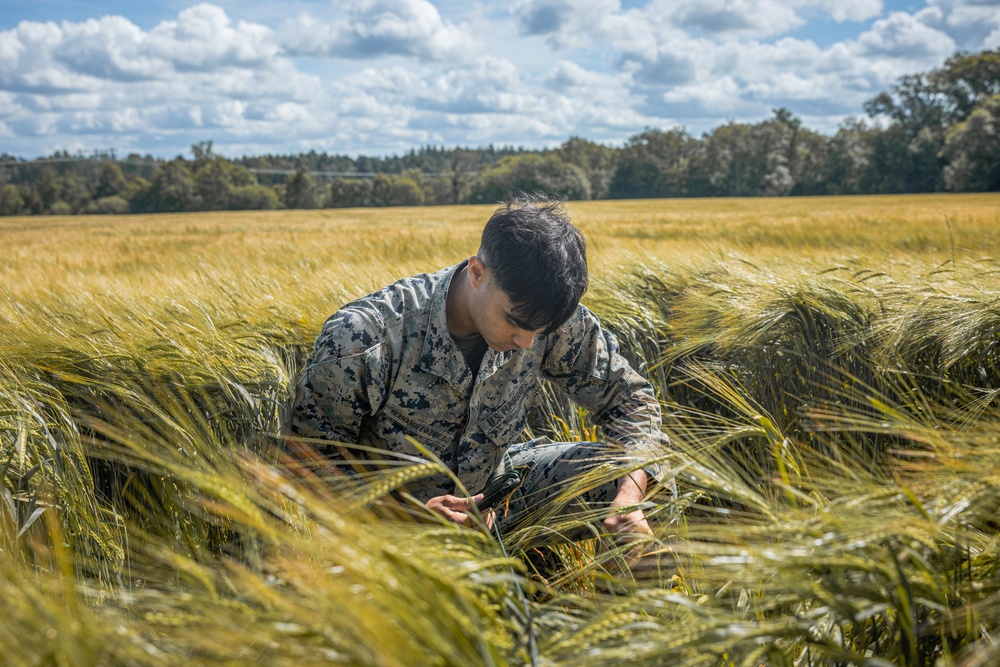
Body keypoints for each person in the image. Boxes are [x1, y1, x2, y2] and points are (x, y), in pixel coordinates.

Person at [289, 195, 665, 540]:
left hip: (495, 500)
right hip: (385, 528)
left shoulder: (543, 315)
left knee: (638, 479)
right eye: (515, 322)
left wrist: (628, 499)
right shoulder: (363, 338)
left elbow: (632, 400)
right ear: (476, 273)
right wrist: (403, 513)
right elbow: (305, 467)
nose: (528, 343)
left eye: (542, 330)